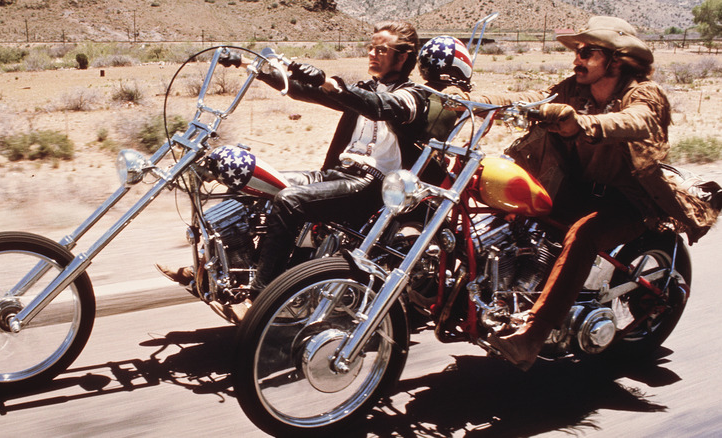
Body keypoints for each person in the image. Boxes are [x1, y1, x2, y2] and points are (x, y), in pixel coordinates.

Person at [472, 16, 719, 371]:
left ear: (615, 61)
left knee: (583, 234)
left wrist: (582, 124)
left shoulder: (643, 92)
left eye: (587, 52)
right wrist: (475, 99)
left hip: (628, 199)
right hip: (577, 189)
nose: (577, 59)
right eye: (577, 52)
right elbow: (531, 98)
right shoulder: (576, 89)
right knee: (510, 203)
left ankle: (533, 336)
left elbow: (638, 120)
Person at [159, 20, 432, 323]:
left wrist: (331, 83)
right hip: (340, 173)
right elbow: (303, 90)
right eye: (370, 47)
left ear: (403, 56)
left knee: (290, 201)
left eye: (381, 49)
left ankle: (261, 299)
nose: (372, 53)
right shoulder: (365, 88)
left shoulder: (414, 96)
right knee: (257, 184)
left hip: (372, 184)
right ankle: (220, 271)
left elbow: (379, 106)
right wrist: (250, 64)